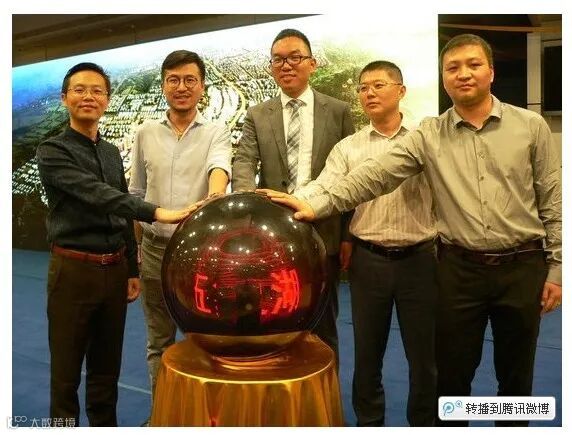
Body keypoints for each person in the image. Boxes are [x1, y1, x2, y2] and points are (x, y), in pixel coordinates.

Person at [260, 34, 562, 427]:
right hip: (457, 271)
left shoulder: (531, 126)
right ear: (443, 78)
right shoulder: (429, 135)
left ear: (491, 71)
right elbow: (374, 176)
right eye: (452, 68)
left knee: (516, 376)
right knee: (451, 376)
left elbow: (552, 200)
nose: (463, 74)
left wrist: (557, 268)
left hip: (520, 266)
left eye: (473, 65)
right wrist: (311, 203)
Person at [36, 62, 192, 426]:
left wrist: (131, 268)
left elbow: (120, 209)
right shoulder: (52, 150)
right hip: (72, 272)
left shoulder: (109, 152)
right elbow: (99, 195)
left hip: (113, 271)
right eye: (79, 90)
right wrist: (157, 212)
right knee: (65, 376)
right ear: (64, 98)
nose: (88, 97)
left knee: (106, 372)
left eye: (97, 91)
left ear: (107, 100)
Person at [294, 60, 437, 426]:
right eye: (363, 88)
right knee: (367, 355)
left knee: (425, 357)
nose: (369, 93)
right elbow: (324, 186)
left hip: (421, 261)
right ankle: (369, 424)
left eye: (378, 85)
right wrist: (293, 200)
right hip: (368, 261)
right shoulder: (348, 148)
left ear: (401, 91)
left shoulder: (427, 140)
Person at [232, 28, 355, 360]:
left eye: (295, 57)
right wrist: (244, 208)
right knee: (275, 321)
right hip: (271, 237)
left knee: (324, 324)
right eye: (278, 59)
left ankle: (324, 391)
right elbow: (244, 161)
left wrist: (347, 235)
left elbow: (351, 175)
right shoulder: (258, 114)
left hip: (324, 230)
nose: (286, 65)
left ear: (312, 64)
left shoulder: (338, 111)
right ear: (271, 67)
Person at [128, 50, 232, 421]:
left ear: (202, 86)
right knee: (158, 342)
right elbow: (136, 194)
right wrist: (136, 248)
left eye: (190, 80)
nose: (182, 87)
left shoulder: (216, 131)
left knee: (202, 342)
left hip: (198, 255)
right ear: (163, 85)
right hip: (154, 249)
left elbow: (219, 168)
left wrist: (215, 197)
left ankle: (201, 419)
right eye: (173, 80)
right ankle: (162, 416)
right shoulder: (145, 132)